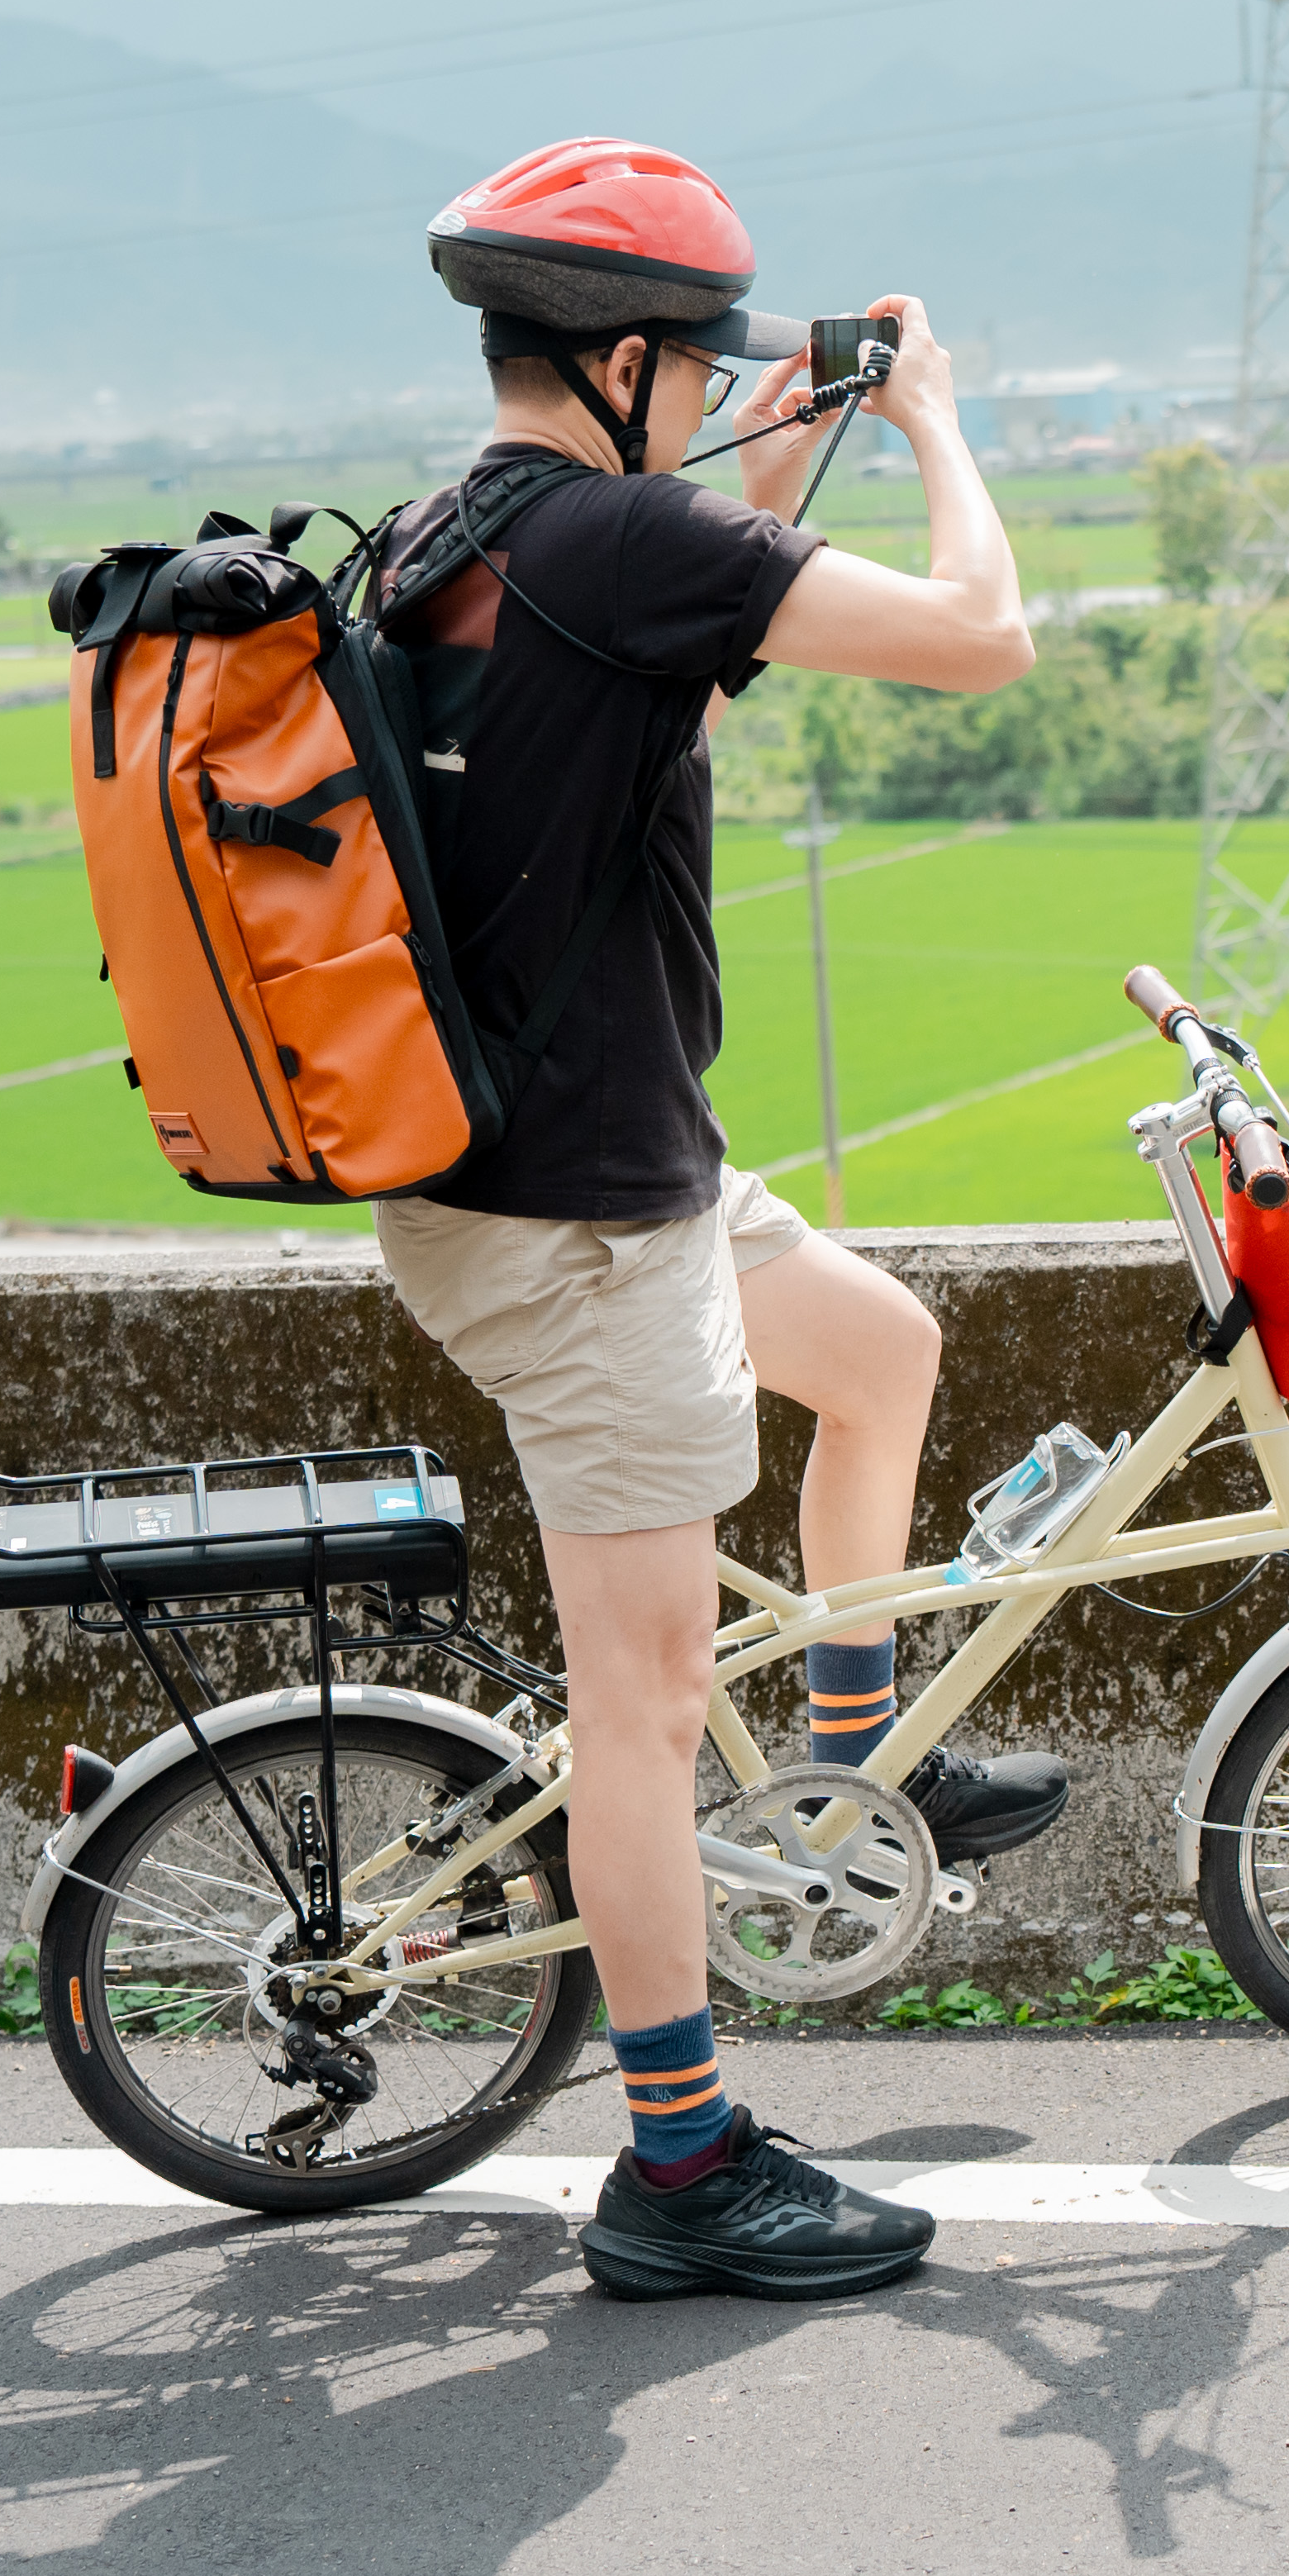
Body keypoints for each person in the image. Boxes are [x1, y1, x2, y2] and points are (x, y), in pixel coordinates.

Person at [380, 136, 1050, 2302]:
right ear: (642, 359)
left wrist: (750, 474)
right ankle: (680, 2166)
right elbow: (982, 636)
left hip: (582, 1172)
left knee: (884, 1351)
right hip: (580, 1225)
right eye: (711, 367)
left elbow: (655, 660)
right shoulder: (613, 538)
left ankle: (854, 1766)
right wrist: (930, 425)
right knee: (648, 1704)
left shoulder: (459, 533)